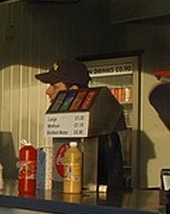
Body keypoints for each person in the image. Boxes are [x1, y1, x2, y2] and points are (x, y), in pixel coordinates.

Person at [34, 59, 126, 190]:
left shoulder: (100, 129)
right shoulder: (67, 123)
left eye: (54, 86)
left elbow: (108, 180)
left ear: (73, 90)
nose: (48, 91)